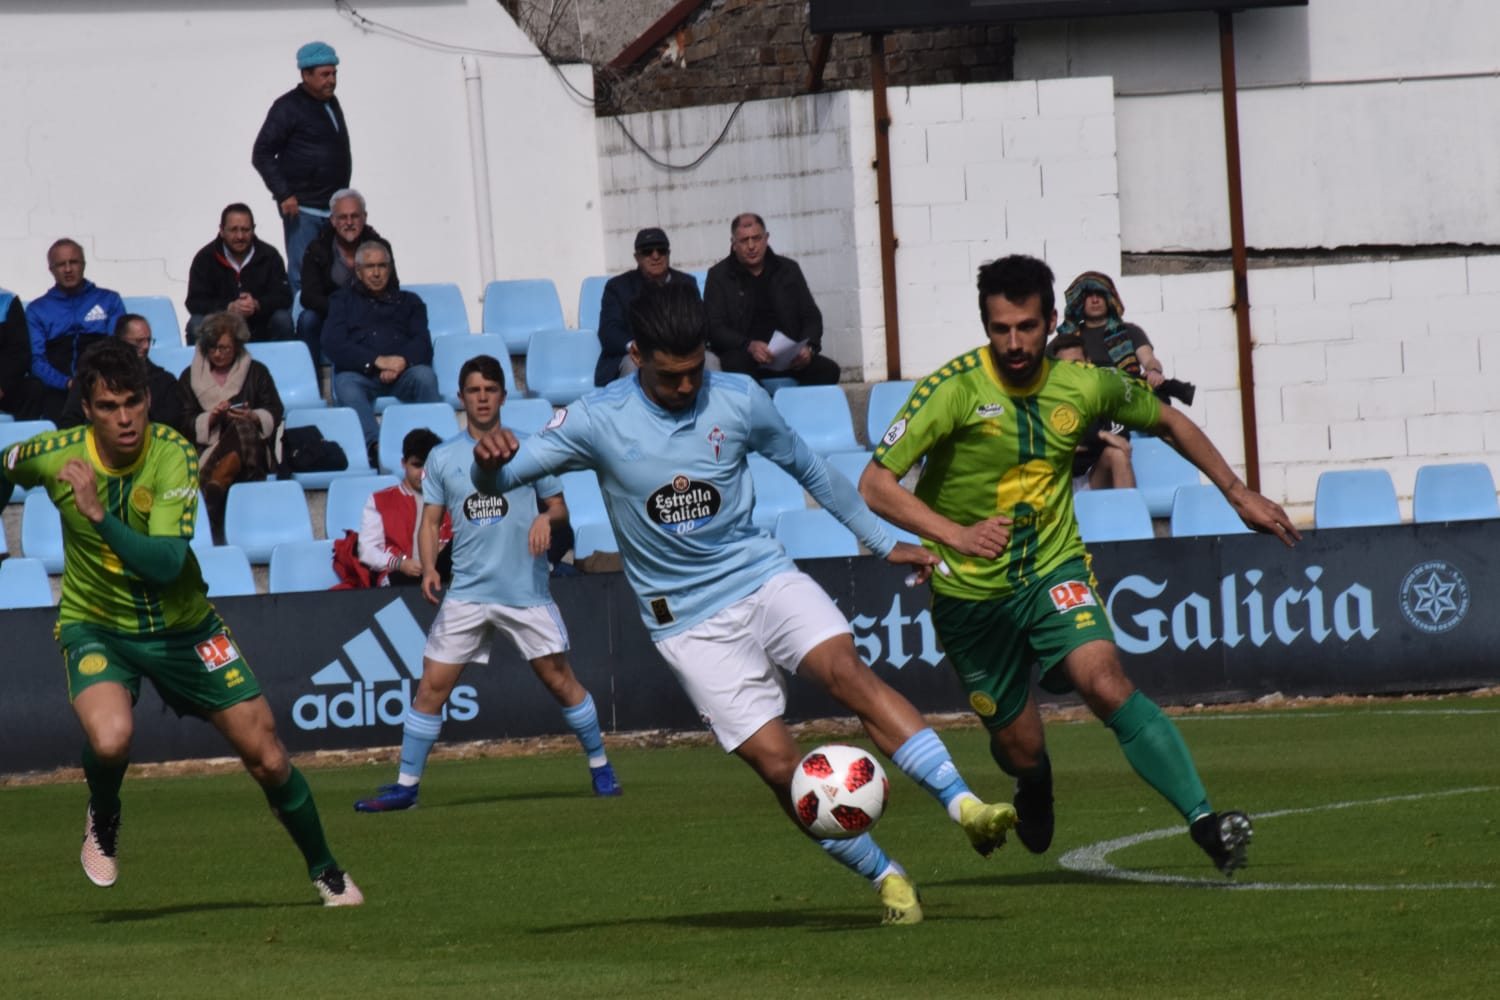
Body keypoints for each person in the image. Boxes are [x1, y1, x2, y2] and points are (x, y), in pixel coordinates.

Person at [471, 281, 1017, 926]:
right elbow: (503, 476)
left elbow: (810, 468)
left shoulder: (739, 398)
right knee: (778, 763)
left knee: (848, 673)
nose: (685, 388)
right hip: (686, 621)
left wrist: (881, 542)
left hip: (761, 576)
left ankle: (966, 806)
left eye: (695, 370)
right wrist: (488, 461)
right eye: (670, 376)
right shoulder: (596, 418)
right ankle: (886, 877)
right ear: (638, 354)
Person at [858, 254, 1301, 878]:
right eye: (1000, 328)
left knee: (1105, 680)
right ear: (986, 324)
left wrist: (1236, 491)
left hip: (1051, 568)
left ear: (1050, 323)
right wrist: (954, 533)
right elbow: (875, 484)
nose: (1014, 343)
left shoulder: (1085, 384)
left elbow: (1167, 419)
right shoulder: (952, 389)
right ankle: (1034, 784)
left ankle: (1204, 820)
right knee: (1021, 749)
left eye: (1028, 328)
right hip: (970, 598)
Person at [0, 339, 361, 905]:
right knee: (112, 738)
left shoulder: (171, 454)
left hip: (186, 628)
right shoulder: (56, 452)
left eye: (133, 403)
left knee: (267, 756)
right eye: (109, 407)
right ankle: (105, 810)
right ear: (88, 410)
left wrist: (96, 514)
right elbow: (6, 469)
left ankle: (326, 869)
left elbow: (168, 564)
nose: (125, 419)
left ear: (148, 398)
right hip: (98, 627)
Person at [356, 354, 621, 811]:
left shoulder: (534, 447)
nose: (482, 397)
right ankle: (406, 786)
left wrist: (546, 518)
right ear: (461, 397)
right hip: (468, 593)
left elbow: (560, 509)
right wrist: (431, 565)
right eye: (474, 390)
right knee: (430, 687)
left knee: (561, 682)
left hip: (524, 591)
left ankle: (601, 767)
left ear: (503, 395)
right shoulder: (442, 457)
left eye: (490, 389)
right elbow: (429, 520)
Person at [321, 242, 440, 466]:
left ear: (390, 268)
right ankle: (375, 447)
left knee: (425, 377)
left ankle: (429, 448)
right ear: (358, 271)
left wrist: (400, 363)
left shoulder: (410, 301)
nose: (376, 273)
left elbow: (423, 343)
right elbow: (332, 343)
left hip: (404, 373)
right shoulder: (341, 301)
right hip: (361, 374)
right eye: (370, 267)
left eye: (382, 266)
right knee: (345, 384)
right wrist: (377, 362)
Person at [251, 41, 351, 303]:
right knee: (303, 274)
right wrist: (284, 194)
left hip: (332, 209)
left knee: (339, 273)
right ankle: (304, 330)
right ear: (306, 75)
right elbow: (261, 153)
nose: (331, 80)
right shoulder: (288, 107)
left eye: (334, 73)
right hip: (304, 210)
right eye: (325, 74)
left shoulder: (331, 103)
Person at [178, 312, 284, 543]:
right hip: (207, 447)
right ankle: (226, 474)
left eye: (224, 348)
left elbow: (274, 409)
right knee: (240, 426)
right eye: (213, 348)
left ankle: (220, 479)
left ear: (236, 345)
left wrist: (254, 416)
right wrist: (211, 417)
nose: (218, 353)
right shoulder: (189, 376)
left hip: (254, 446)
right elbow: (182, 420)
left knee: (243, 423)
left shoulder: (257, 372)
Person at [704, 213, 840, 386]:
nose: (752, 246)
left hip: (788, 356)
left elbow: (811, 316)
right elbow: (714, 327)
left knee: (828, 371)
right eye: (744, 240)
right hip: (743, 355)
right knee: (736, 368)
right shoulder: (719, 276)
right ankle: (765, 410)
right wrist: (749, 345)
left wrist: (809, 348)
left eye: (757, 238)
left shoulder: (788, 270)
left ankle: (797, 410)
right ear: (734, 243)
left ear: (766, 238)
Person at [27, 239, 125, 424]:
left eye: (73, 262)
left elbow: (118, 350)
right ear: (51, 269)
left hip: (102, 385)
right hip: (58, 391)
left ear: (83, 265)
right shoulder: (37, 310)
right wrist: (67, 383)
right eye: (61, 264)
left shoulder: (109, 300)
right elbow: (36, 361)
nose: (68, 269)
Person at [295, 188, 396, 359]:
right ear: (333, 220)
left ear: (364, 217)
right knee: (308, 320)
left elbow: (393, 288)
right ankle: (313, 378)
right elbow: (309, 296)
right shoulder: (317, 249)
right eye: (343, 217)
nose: (349, 222)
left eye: (355, 216)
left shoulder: (380, 246)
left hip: (371, 314)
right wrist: (342, 311)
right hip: (330, 315)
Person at [594, 226, 700, 387]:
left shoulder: (686, 283)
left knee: (711, 362)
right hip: (637, 353)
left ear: (669, 254)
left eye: (661, 250)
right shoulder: (618, 287)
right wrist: (633, 345)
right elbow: (608, 330)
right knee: (632, 365)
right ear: (637, 257)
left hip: (681, 352)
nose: (655, 256)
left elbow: (699, 321)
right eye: (647, 251)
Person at [60, 315, 190, 438]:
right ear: (121, 340)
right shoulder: (90, 377)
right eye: (138, 341)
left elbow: (173, 422)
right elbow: (70, 421)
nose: (145, 346)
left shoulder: (165, 381)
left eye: (148, 341)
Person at [184, 204, 294, 344]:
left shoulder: (270, 255)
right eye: (233, 230)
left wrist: (257, 304)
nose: (240, 236)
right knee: (196, 323)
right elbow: (194, 302)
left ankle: (282, 365)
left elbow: (284, 296)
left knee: (282, 319)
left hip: (260, 325)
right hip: (219, 329)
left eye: (245, 230)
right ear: (222, 230)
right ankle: (200, 366)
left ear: (253, 230)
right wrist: (228, 307)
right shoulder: (205, 258)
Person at [355, 428, 451, 588]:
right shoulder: (380, 500)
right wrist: (400, 564)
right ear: (403, 463)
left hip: (445, 578)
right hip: (398, 580)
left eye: (429, 466)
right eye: (417, 465)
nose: (423, 473)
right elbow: (367, 551)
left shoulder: (454, 500)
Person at [1046, 332, 1134, 492]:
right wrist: (1100, 435)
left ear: (1089, 362)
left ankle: (1129, 516)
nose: (1072, 371)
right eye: (1064, 366)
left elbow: (1121, 438)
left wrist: (1079, 441)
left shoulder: (1106, 393)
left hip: (1094, 477)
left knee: (1118, 453)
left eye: (1076, 363)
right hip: (1056, 485)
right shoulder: (1046, 397)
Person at [0, 283, 42, 419]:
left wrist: (3, 385)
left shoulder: (6, 300)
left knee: (33, 389)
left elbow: (19, 351)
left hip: (3, 386)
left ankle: (26, 440)